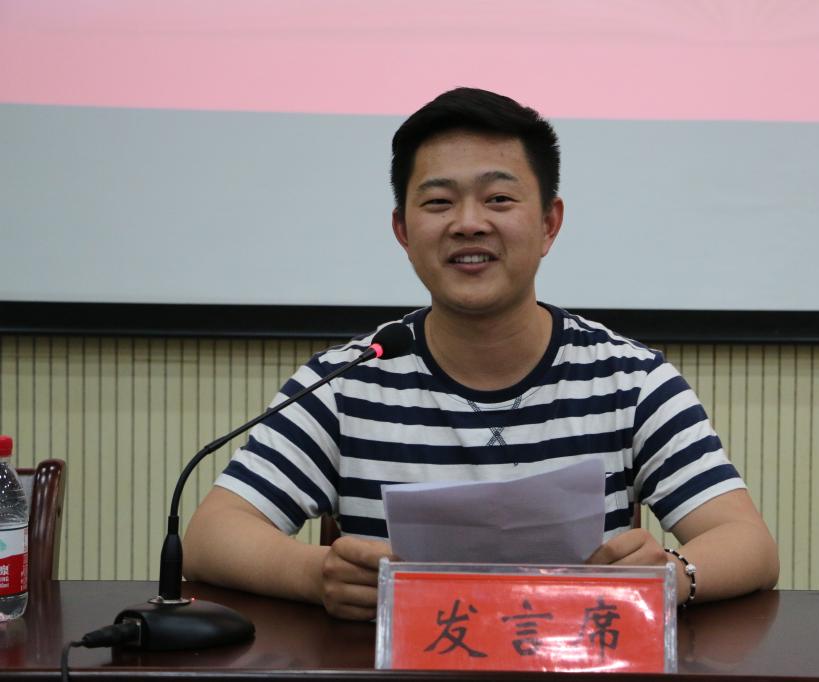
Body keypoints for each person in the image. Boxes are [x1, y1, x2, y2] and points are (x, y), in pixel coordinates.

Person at [182, 87, 779, 620]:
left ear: (549, 224)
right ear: (402, 230)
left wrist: (671, 576)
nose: (468, 224)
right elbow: (211, 536)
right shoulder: (346, 384)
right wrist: (316, 576)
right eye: (439, 203)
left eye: (498, 199)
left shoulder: (630, 380)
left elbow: (747, 543)